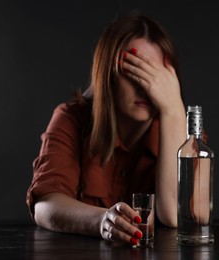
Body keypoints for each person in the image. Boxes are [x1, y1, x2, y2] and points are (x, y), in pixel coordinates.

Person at [26, 13, 186, 246]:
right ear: (107, 74)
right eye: (133, 72)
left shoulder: (184, 131)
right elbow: (45, 205)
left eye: (155, 77)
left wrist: (173, 110)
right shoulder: (71, 118)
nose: (146, 88)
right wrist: (102, 220)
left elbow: (174, 215)